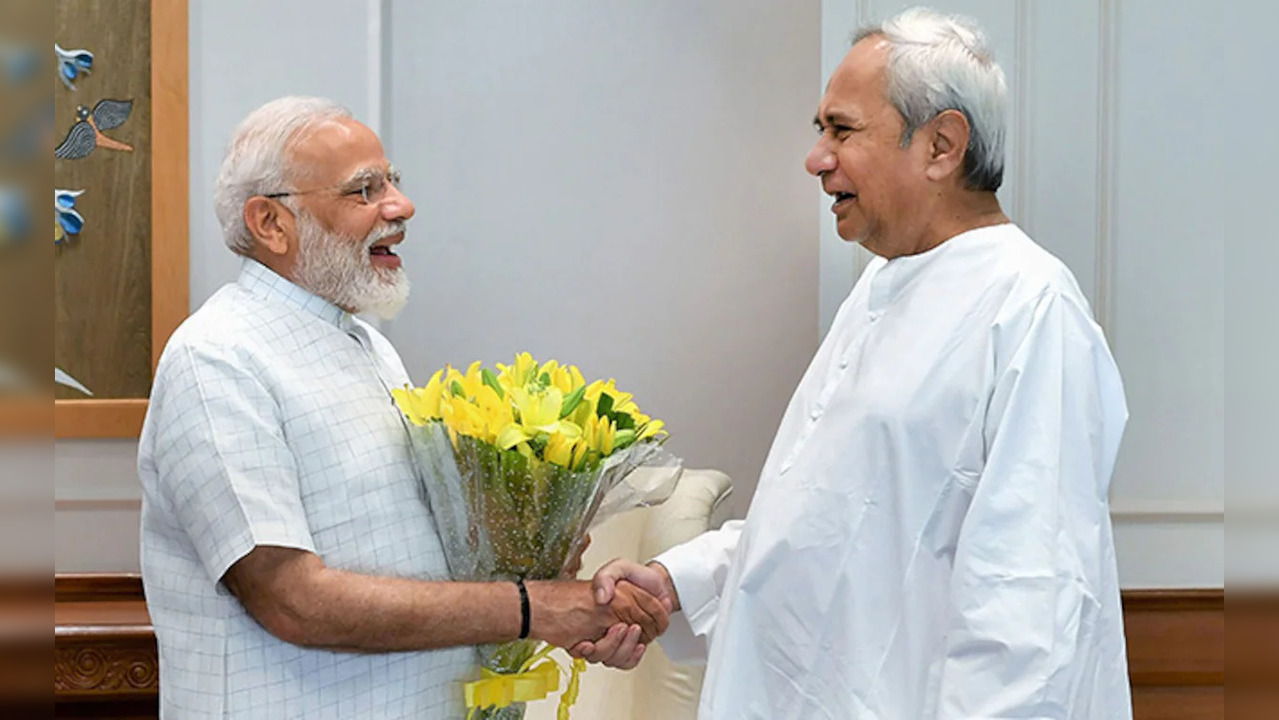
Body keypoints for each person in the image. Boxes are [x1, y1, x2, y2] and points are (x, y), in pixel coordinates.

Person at [581, 8, 1133, 718]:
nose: (816, 158)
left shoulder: (1029, 306)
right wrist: (677, 581)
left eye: (841, 130)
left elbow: (1031, 602)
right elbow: (827, 520)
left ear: (940, 145)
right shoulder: (881, 285)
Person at [138, 96, 667, 720]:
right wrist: (534, 606)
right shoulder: (217, 357)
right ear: (270, 223)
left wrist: (547, 566)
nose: (400, 206)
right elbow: (292, 599)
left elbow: (411, 553)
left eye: (393, 181)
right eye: (364, 190)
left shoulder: (368, 346)